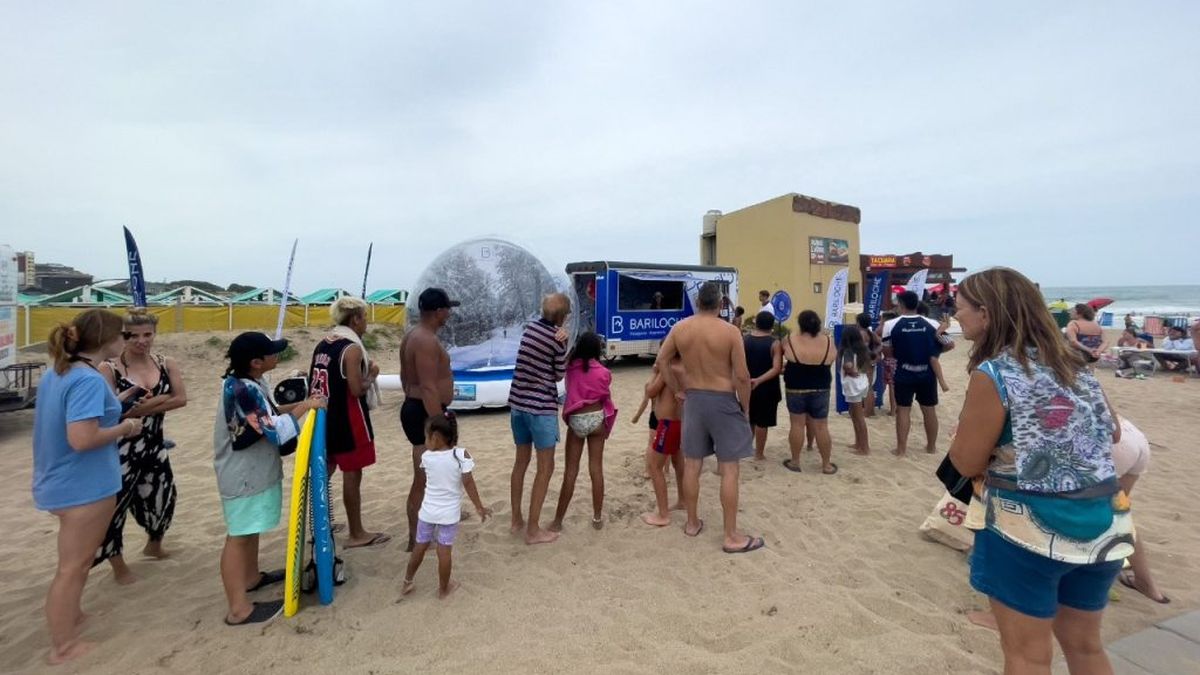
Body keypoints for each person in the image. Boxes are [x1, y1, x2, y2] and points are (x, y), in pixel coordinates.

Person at [949, 267, 1131, 674]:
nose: (955, 316)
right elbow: (1113, 431)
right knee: (1086, 647)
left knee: (1028, 656)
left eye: (960, 309)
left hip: (1029, 526)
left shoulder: (994, 373)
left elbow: (966, 462)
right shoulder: (1075, 364)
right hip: (1103, 518)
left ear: (987, 313)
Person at [34, 310, 141, 664]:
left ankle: (72, 617)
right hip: (82, 486)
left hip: (61, 481)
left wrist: (120, 406)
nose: (126, 341)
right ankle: (63, 646)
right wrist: (125, 429)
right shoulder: (88, 380)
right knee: (73, 567)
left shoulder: (62, 371)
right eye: (123, 335)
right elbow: (82, 438)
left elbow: (81, 419)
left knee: (73, 564)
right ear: (106, 340)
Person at [214, 332, 326, 626]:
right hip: (243, 476)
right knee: (238, 535)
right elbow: (271, 427)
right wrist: (308, 407)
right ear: (255, 362)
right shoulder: (241, 390)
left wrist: (303, 403)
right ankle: (238, 609)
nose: (278, 355)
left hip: (253, 472)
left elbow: (271, 412)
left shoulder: (250, 383)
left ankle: (251, 578)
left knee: (250, 528)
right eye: (272, 352)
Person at [656, 281, 764, 553]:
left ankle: (692, 523)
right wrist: (745, 407)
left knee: (692, 465)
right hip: (722, 399)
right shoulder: (729, 332)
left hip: (694, 400)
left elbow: (661, 361)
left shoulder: (681, 328)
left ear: (698, 303)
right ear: (719, 304)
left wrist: (678, 389)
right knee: (729, 468)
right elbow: (742, 375)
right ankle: (730, 535)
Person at [93, 311, 188, 584]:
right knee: (116, 508)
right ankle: (119, 566)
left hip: (155, 443)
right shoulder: (109, 368)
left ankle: (154, 544)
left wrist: (147, 406)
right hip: (121, 448)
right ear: (122, 337)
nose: (141, 341)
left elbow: (181, 398)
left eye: (147, 334)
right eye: (132, 335)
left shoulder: (165, 362)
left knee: (164, 498)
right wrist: (160, 400)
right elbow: (110, 413)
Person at [309, 297, 388, 549]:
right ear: (355, 319)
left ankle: (318, 525)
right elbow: (356, 389)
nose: (366, 323)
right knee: (352, 474)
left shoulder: (324, 343)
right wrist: (372, 374)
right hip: (348, 417)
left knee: (325, 471)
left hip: (325, 416)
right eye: (364, 317)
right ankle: (357, 533)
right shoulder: (352, 348)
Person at [402, 413, 490, 599]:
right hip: (448, 516)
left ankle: (407, 581)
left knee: (420, 546)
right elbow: (469, 484)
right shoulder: (461, 455)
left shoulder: (426, 457)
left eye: (426, 436)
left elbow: (430, 478)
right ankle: (444, 589)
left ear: (435, 437)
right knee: (444, 551)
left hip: (427, 513)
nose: (425, 441)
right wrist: (479, 506)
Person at [508, 293, 571, 545]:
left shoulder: (530, 329)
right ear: (562, 317)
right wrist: (563, 344)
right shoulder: (557, 341)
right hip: (541, 408)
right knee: (546, 468)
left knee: (520, 463)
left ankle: (516, 519)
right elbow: (558, 375)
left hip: (518, 405)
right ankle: (533, 530)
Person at [399, 288, 458, 552]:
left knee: (434, 474)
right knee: (423, 477)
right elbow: (427, 387)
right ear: (438, 312)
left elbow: (404, 379)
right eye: (447, 309)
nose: (449, 314)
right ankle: (416, 537)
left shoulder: (414, 334)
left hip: (419, 408)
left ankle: (426, 529)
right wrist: (438, 422)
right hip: (425, 411)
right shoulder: (425, 340)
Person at [551, 332, 617, 532]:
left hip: (577, 420)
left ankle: (557, 522)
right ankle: (597, 519)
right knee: (596, 469)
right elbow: (605, 394)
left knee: (571, 471)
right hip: (597, 419)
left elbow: (564, 358)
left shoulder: (571, 368)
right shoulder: (604, 372)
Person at [1111, 419, 1168, 604]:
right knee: (1120, 515)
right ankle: (1147, 584)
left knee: (1107, 514)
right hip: (1134, 438)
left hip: (1113, 445)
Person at [882, 292, 945, 456]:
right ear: (916, 304)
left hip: (904, 372)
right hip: (927, 373)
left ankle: (901, 449)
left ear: (901, 305)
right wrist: (933, 354)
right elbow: (947, 344)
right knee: (929, 410)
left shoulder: (890, 324)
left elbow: (887, 352)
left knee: (903, 410)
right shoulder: (932, 323)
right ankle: (931, 447)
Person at [781, 310, 837, 474]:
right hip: (821, 387)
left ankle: (795, 461)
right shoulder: (828, 341)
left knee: (797, 425)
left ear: (801, 324)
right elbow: (832, 358)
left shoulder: (790, 340)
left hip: (795, 387)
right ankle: (826, 464)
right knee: (821, 426)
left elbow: (783, 354)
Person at [639, 354, 687, 526]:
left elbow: (651, 391)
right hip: (680, 421)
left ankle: (663, 514)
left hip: (667, 424)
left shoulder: (669, 369)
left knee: (654, 466)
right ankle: (683, 500)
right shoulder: (685, 366)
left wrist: (656, 372)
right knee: (678, 463)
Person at [744, 311, 782, 461]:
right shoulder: (774, 343)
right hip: (767, 387)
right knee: (762, 422)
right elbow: (776, 368)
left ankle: (747, 449)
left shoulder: (744, 340)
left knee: (750, 419)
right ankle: (759, 453)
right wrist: (759, 380)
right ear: (771, 325)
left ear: (756, 323)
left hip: (747, 384)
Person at [839, 325, 871, 455]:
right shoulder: (863, 349)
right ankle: (859, 443)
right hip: (862, 381)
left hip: (853, 385)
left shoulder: (848, 350)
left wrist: (849, 371)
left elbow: (848, 365)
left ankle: (864, 447)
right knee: (854, 414)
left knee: (858, 417)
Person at [856, 313, 882, 418]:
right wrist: (875, 353)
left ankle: (866, 411)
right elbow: (881, 343)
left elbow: (862, 348)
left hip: (863, 362)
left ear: (858, 322)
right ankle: (870, 411)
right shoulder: (870, 333)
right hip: (870, 362)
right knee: (869, 387)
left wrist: (870, 354)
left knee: (863, 387)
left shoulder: (860, 334)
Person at [877, 311, 900, 416]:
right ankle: (898, 407)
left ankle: (893, 410)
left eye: (881, 319)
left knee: (891, 386)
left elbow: (877, 333)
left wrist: (881, 325)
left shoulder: (885, 329)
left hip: (889, 360)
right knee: (897, 386)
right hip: (899, 360)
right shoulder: (897, 329)